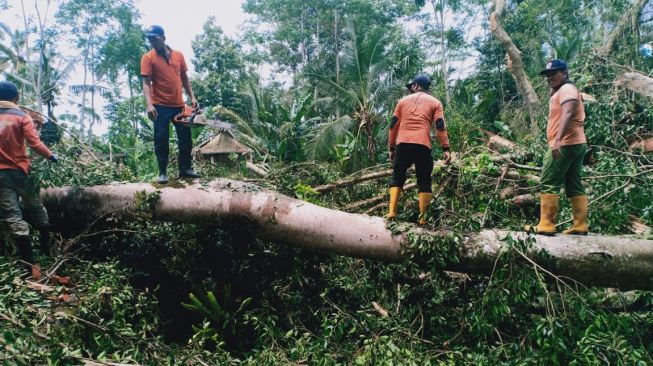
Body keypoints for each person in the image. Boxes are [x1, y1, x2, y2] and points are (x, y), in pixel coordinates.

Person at [525, 59, 588, 235]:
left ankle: (546, 224)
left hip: (566, 144)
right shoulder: (564, 90)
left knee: (548, 181)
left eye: (554, 73)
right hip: (576, 143)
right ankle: (580, 225)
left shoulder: (567, 89)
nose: (549, 77)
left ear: (565, 73)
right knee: (573, 184)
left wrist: (558, 140)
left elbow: (568, 112)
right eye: (548, 75)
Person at [0, 81, 57, 269]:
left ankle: (28, 261)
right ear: (16, 97)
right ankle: (46, 246)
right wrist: (51, 156)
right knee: (35, 206)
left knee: (12, 214)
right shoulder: (22, 117)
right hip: (21, 172)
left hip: (1, 176)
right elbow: (34, 144)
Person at [387, 75, 452, 225]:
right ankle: (423, 218)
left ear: (416, 86)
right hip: (422, 145)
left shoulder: (402, 101)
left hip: (403, 144)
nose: (410, 90)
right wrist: (446, 148)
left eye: (411, 87)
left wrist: (391, 147)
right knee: (424, 180)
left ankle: (392, 212)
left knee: (397, 177)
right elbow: (440, 126)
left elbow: (393, 125)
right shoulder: (435, 102)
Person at [141, 24, 200, 184]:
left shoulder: (178, 55)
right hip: (159, 105)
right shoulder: (148, 58)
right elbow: (146, 82)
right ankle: (162, 173)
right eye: (150, 39)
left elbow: (185, 78)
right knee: (161, 139)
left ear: (163, 38)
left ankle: (185, 169)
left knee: (185, 138)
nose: (152, 41)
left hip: (179, 105)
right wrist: (149, 104)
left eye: (155, 38)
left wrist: (192, 97)